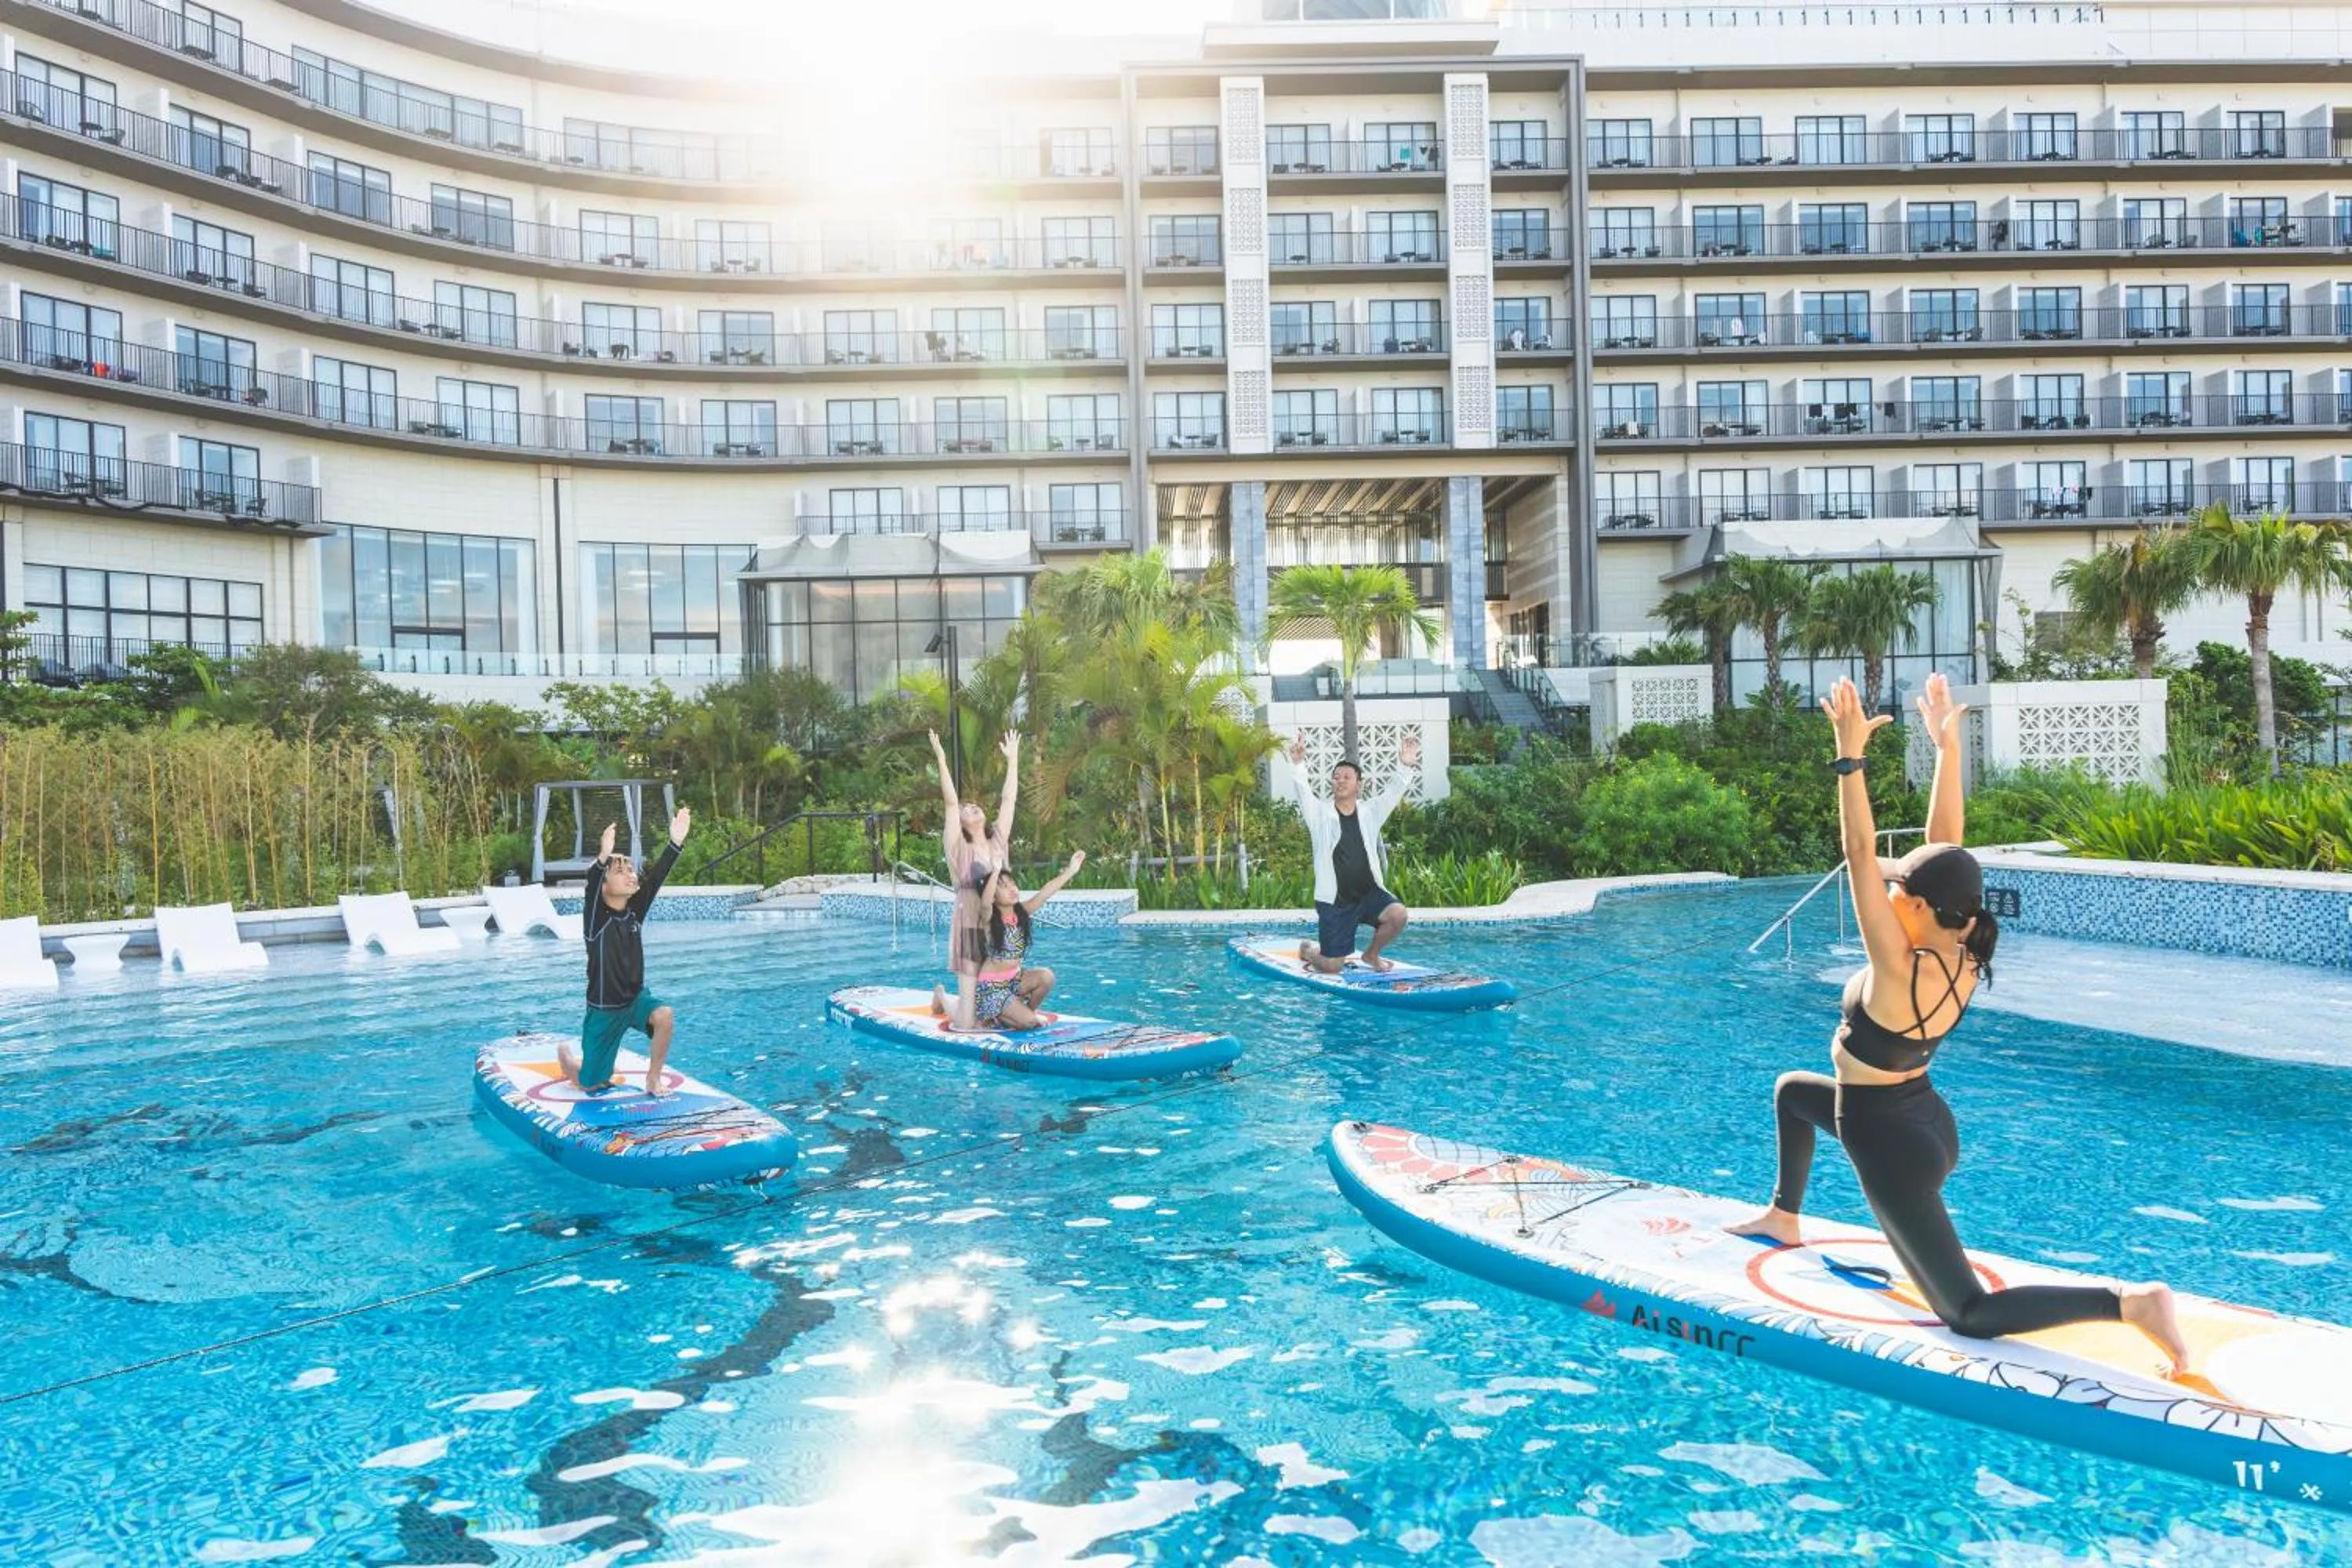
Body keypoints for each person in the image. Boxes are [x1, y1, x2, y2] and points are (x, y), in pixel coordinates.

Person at [1728, 674, 2189, 1374]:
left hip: (1886, 1139)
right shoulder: (1961, 945)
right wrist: (1946, 746)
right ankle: (1783, 1215)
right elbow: (1948, 848)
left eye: (1898, 888)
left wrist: (1849, 759)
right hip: (1923, 1120)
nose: (1888, 888)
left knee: (1968, 1314)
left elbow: (1858, 855)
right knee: (1794, 1090)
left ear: (1915, 907)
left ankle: (2131, 1304)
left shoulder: (1897, 968)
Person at [559, 807, 691, 1098]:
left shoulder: (634, 912)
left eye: (631, 870)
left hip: (634, 1001)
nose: (631, 874)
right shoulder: (595, 920)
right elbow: (591, 887)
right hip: (604, 1012)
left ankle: (654, 1079)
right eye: (620, 871)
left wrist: (675, 843)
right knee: (591, 1083)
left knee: (664, 1016)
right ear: (605, 887)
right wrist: (603, 858)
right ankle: (570, 1064)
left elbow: (655, 879)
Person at [1289, 731, 1421, 974]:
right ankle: (1309, 950)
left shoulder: (1370, 812)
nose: (1340, 780)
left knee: (1398, 915)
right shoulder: (1319, 815)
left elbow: (1392, 794)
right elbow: (1303, 793)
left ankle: (1371, 954)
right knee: (1331, 967)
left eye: (1347, 777)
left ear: (1358, 784)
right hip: (1336, 902)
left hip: (1368, 895)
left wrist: (1405, 766)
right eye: (1336, 777)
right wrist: (1298, 764)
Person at [933, 850, 1087, 1030]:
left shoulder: (1021, 912)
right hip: (992, 990)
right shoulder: (988, 919)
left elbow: (1045, 893)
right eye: (1004, 887)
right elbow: (984, 903)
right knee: (1029, 1023)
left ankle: (1022, 1014)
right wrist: (996, 871)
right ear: (994, 896)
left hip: (1014, 982)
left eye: (1012, 884)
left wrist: (1071, 871)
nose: (1013, 888)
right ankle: (942, 996)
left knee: (1047, 977)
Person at [931, 728, 1020, 1030]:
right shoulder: (958, 846)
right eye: (966, 809)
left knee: (986, 1018)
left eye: (974, 805)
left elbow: (1008, 801)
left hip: (997, 929)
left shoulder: (998, 840)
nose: (970, 807)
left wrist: (1013, 760)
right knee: (969, 1025)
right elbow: (950, 803)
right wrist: (942, 759)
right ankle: (943, 997)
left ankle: (955, 1001)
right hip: (970, 925)